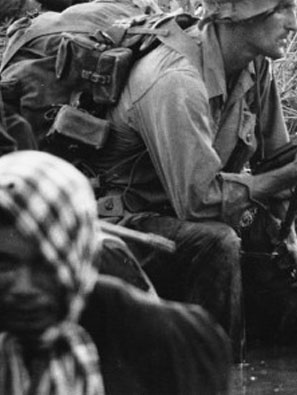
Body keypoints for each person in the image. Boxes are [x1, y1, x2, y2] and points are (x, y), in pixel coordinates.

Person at [87, 0, 297, 359]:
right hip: (125, 228)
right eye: (283, 9)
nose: (295, 23)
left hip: (181, 219)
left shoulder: (254, 65)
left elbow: (275, 160)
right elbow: (199, 202)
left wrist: (290, 238)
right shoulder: (176, 82)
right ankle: (222, 373)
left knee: (282, 262)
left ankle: (293, 373)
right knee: (216, 241)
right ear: (239, 15)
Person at [0, 150, 231, 395]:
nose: (24, 287)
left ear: (76, 256)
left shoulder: (168, 342)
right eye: (5, 264)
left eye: (46, 264)